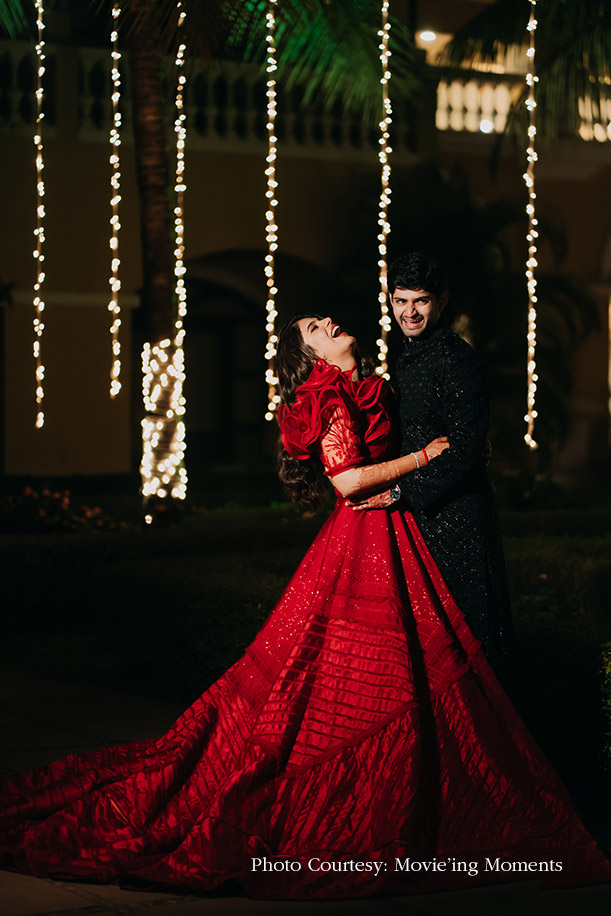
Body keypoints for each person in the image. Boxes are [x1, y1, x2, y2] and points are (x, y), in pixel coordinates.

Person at [0, 314, 609, 900]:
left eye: (324, 319)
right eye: (315, 329)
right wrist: (424, 458)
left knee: (405, 671)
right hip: (364, 532)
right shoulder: (330, 398)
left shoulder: (362, 386)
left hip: (388, 533)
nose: (329, 325)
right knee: (350, 679)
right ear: (312, 356)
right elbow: (347, 482)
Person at [352, 252, 512, 658]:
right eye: (400, 300)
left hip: (457, 520)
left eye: (420, 300)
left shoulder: (458, 361)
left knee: (468, 645)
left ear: (441, 301)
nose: (410, 311)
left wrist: (398, 492)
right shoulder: (406, 354)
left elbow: (465, 451)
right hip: (420, 513)